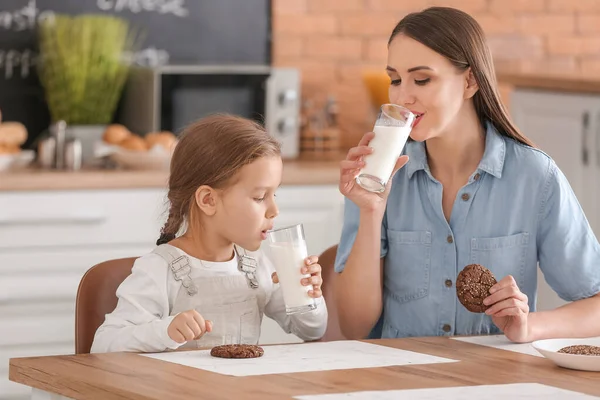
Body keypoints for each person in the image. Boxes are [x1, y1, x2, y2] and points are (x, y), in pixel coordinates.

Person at [334, 7, 600, 343]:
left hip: (497, 384)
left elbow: (596, 303)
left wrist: (529, 326)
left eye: (422, 79)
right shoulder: (378, 175)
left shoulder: (533, 177)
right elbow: (354, 328)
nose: (402, 96)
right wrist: (371, 210)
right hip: (401, 380)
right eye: (395, 79)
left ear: (470, 81)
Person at [91, 115, 327, 353]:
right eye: (259, 197)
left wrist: (306, 295)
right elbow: (103, 345)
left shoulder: (257, 267)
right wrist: (165, 331)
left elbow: (311, 330)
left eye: (274, 195)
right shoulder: (159, 270)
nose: (274, 210)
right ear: (208, 200)